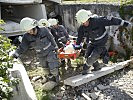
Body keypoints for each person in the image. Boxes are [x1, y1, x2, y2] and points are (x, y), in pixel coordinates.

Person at [74, 9, 132, 75]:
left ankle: (86, 68)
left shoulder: (98, 20)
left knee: (93, 56)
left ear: (89, 18)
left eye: (86, 21)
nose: (85, 23)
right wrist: (77, 48)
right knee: (87, 55)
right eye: (83, 23)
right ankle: (97, 67)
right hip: (92, 42)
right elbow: (79, 38)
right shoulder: (82, 28)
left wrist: (125, 23)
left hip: (102, 41)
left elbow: (111, 20)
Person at [12, 17, 60, 89]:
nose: (29, 32)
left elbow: (51, 38)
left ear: (34, 27)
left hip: (50, 51)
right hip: (40, 54)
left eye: (30, 30)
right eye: (27, 31)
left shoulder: (44, 30)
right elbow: (22, 47)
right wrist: (15, 55)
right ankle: (50, 80)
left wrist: (56, 48)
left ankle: (57, 81)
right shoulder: (26, 36)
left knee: (53, 67)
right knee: (45, 69)